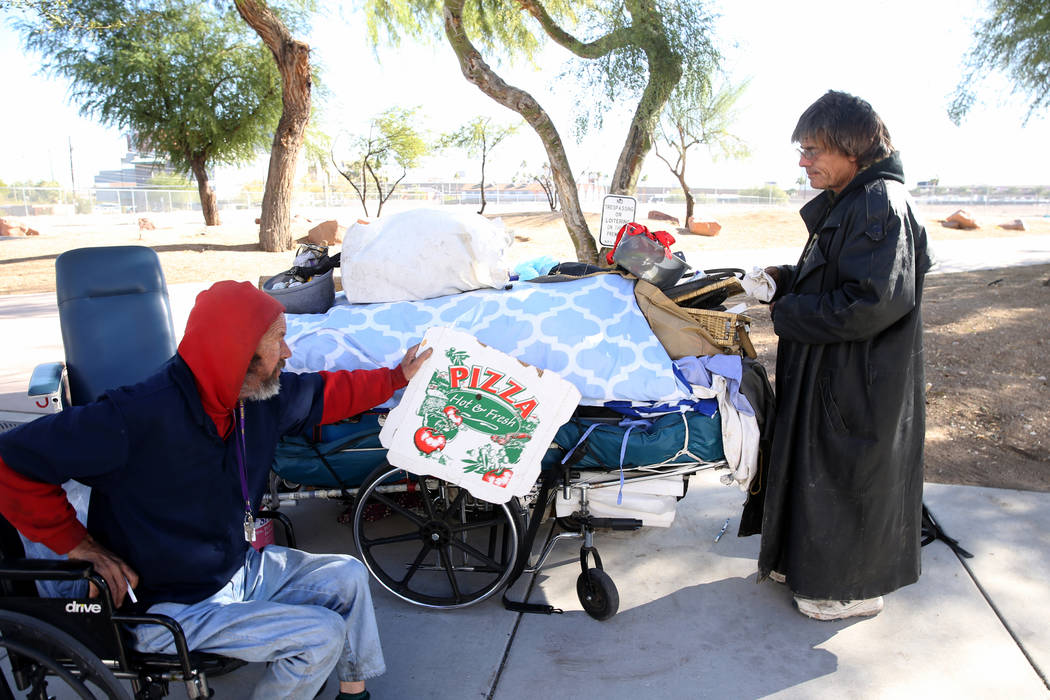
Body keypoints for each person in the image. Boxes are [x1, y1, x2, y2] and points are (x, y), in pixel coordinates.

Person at [0, 280, 432, 699]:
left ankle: (352, 694)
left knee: (347, 575)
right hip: (164, 607)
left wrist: (397, 377)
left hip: (234, 570)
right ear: (239, 349)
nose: (288, 350)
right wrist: (79, 545)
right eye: (278, 339)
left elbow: (325, 393)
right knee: (319, 636)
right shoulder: (133, 416)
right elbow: (10, 461)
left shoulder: (257, 396)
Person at [751, 91, 932, 621]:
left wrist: (786, 311)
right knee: (817, 471)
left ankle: (844, 588)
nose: (803, 161)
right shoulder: (852, 199)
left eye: (812, 150)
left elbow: (873, 300)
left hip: (857, 383)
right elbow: (840, 273)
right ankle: (808, 565)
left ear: (851, 148)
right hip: (832, 374)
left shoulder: (879, 203)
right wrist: (783, 280)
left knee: (844, 477)